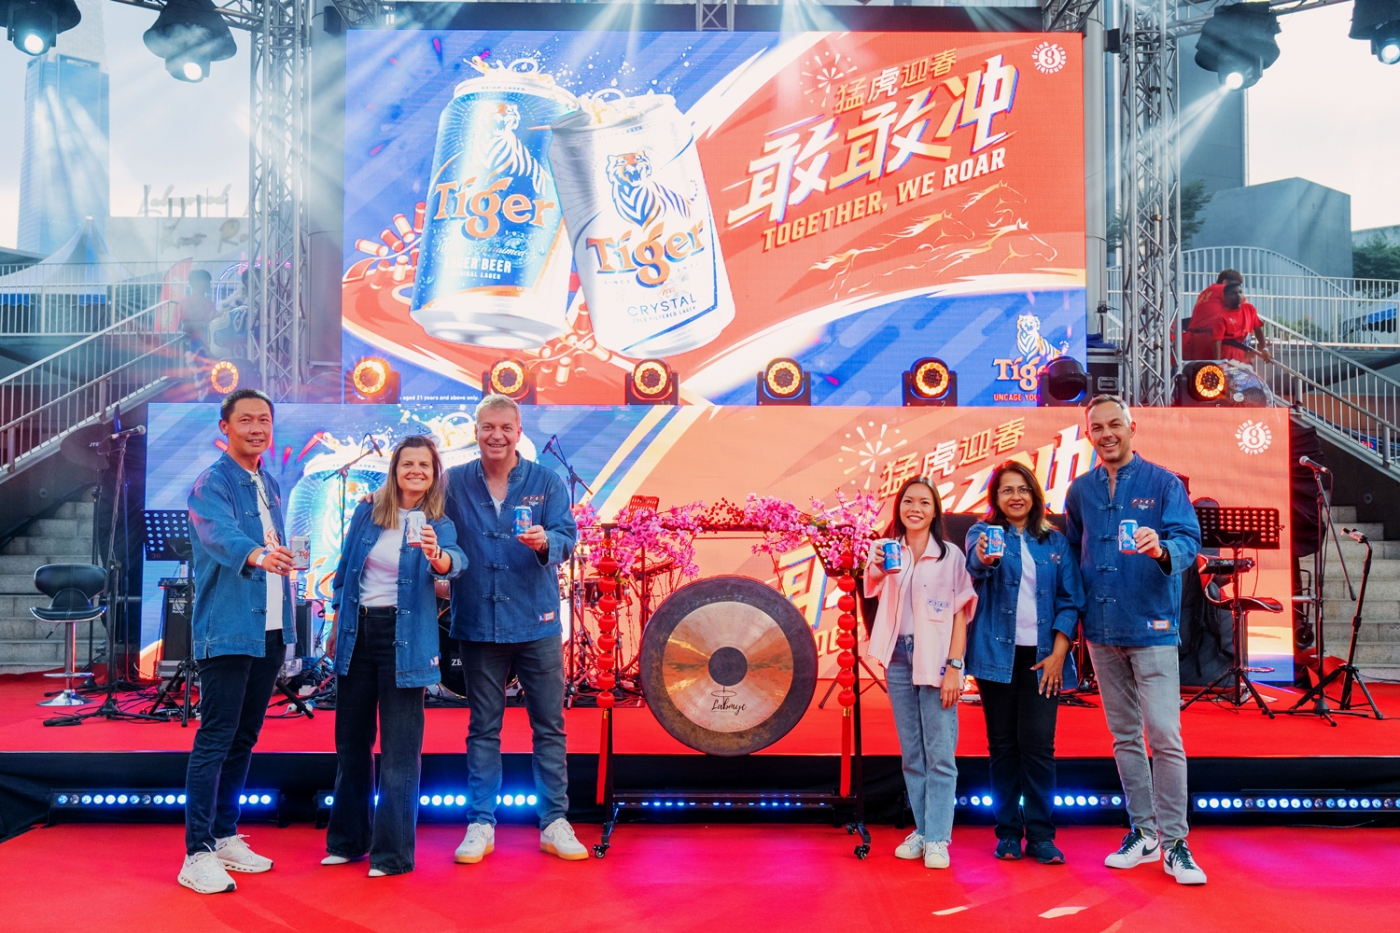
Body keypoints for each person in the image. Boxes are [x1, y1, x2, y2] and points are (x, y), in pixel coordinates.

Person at [1065, 395, 1206, 885]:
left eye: (1115, 425)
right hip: (1100, 631)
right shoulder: (1079, 491)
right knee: (1124, 738)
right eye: (1097, 427)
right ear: (1089, 434)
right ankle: (1143, 833)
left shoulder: (1163, 483)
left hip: (1151, 629)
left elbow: (1189, 540)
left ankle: (1177, 843)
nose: (1107, 433)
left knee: (1165, 737)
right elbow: (1073, 546)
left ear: (1132, 426)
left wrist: (1162, 547)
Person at [444, 394, 585, 863]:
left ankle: (555, 822)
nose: (497, 436)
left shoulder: (546, 481)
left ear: (518, 429)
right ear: (477, 430)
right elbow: (428, 521)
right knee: (483, 727)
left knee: (549, 725)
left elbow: (568, 536)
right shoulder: (455, 481)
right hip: (478, 622)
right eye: (488, 427)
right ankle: (480, 823)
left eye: (505, 427)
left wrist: (549, 541)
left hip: (537, 620)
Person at [322, 436, 467, 876]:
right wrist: (334, 623)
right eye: (408, 464)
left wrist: (436, 556)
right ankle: (348, 842)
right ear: (395, 469)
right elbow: (346, 571)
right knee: (351, 744)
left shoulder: (438, 520)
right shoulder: (368, 511)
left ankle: (393, 854)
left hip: (406, 639)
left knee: (401, 752)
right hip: (357, 631)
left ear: (434, 471)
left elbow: (455, 562)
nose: (415, 471)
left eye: (424, 465)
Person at [179, 388, 294, 895]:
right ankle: (196, 852)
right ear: (224, 427)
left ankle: (225, 834)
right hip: (227, 627)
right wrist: (256, 556)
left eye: (264, 420)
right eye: (245, 420)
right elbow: (219, 535)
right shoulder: (213, 482)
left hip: (268, 628)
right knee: (216, 738)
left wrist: (284, 561)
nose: (256, 428)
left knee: (244, 737)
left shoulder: (266, 481)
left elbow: (274, 549)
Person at [965, 461, 1085, 865]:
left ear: (1034, 494)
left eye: (1022, 489)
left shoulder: (1054, 541)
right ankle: (1007, 833)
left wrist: (1058, 653)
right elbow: (974, 570)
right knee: (1002, 747)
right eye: (1006, 490)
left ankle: (1041, 835)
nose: (1015, 496)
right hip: (994, 656)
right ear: (995, 499)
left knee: (1038, 746)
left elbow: (1071, 600)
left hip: (1042, 659)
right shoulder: (982, 534)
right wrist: (985, 558)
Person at [865, 476, 977, 870]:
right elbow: (872, 586)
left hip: (936, 659)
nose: (915, 508)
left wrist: (955, 667)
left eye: (924, 503)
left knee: (940, 753)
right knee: (912, 753)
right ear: (899, 507)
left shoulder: (951, 557)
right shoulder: (888, 550)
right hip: (898, 657)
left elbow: (962, 614)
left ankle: (938, 838)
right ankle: (924, 830)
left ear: (935, 511)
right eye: (908, 501)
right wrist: (878, 564)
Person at [1184, 269, 1269, 362]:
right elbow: (1243, 305)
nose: (1237, 288)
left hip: (1193, 340)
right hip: (1209, 339)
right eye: (1235, 285)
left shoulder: (1205, 292)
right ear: (1225, 282)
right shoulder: (1223, 289)